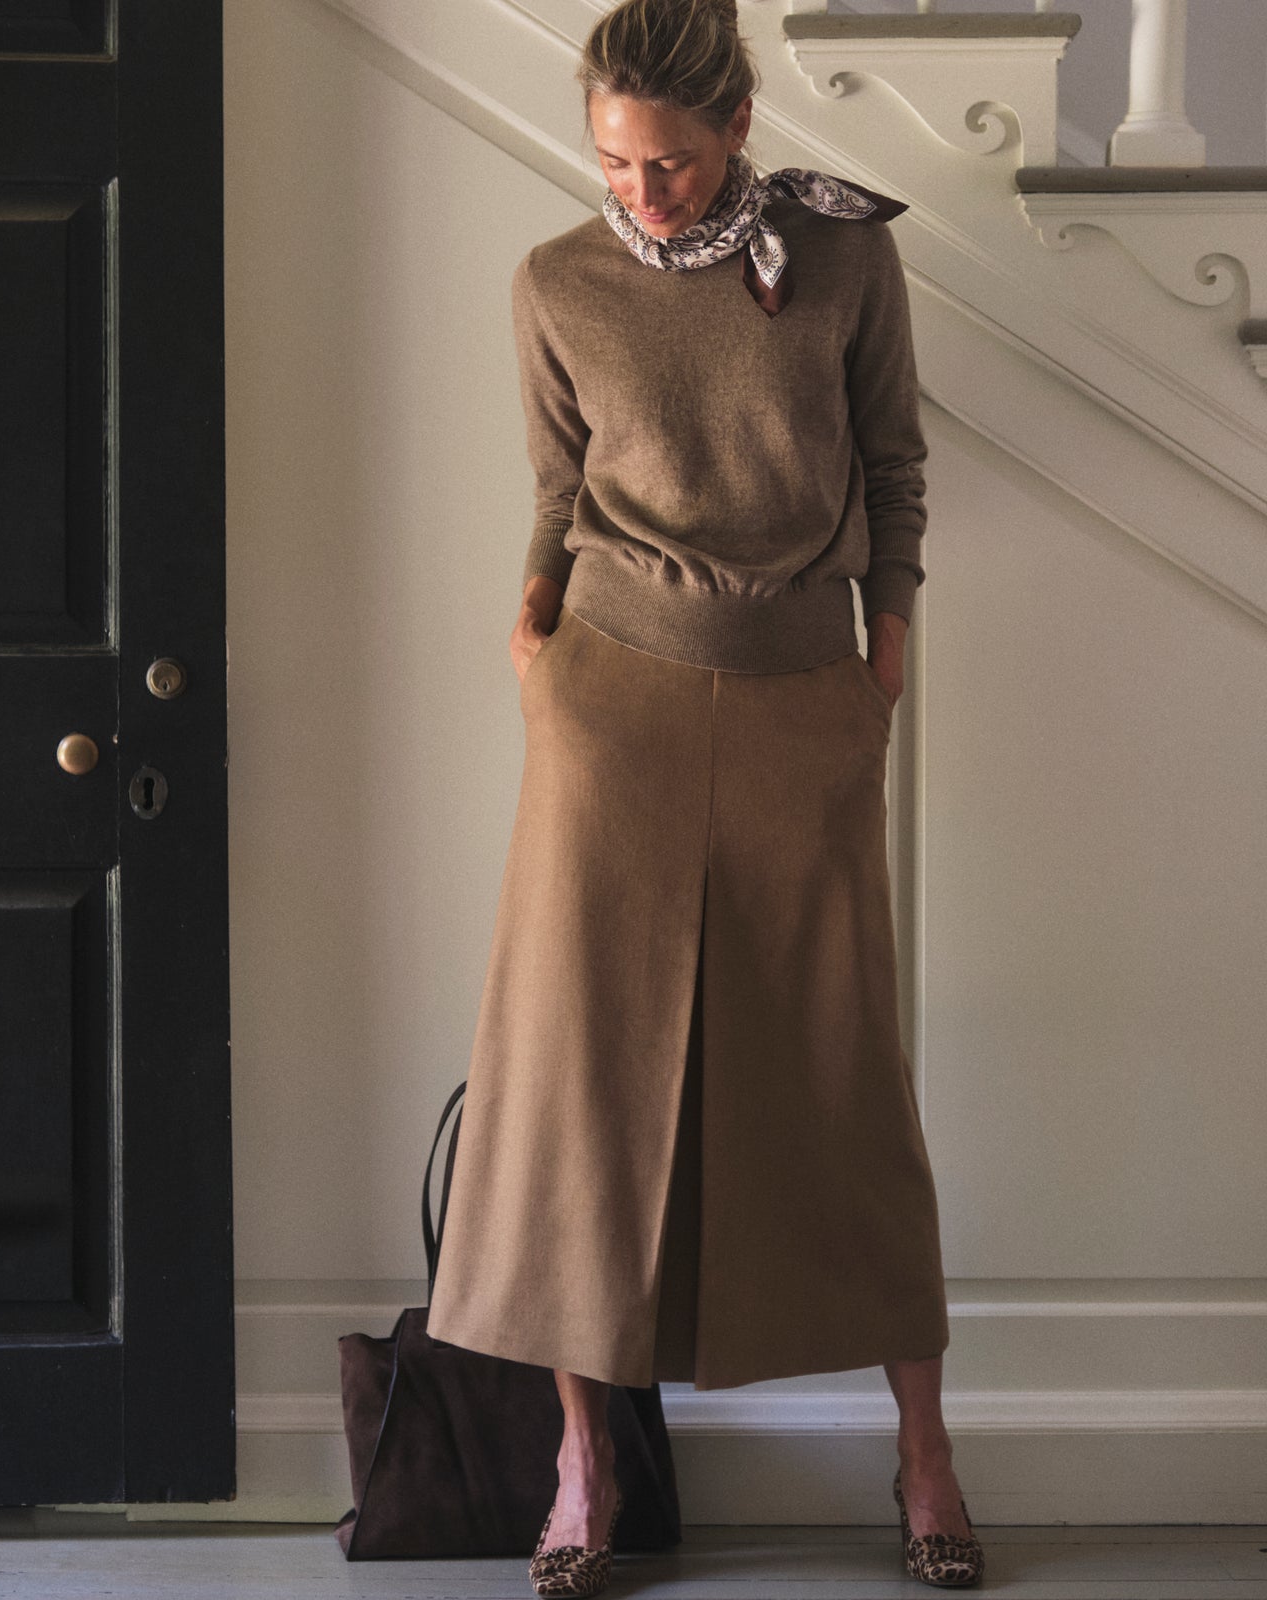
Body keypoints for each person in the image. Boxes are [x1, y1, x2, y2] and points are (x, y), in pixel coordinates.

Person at [424, 0, 986, 1591]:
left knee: (839, 1069)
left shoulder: (847, 259)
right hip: (611, 701)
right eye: (612, 161)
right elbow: (557, 482)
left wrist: (885, 649)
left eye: (669, 162)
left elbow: (893, 464)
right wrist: (533, 627)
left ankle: (926, 1461)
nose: (641, 194)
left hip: (810, 694)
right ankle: (584, 1471)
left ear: (738, 120)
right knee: (575, 1078)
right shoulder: (555, 282)